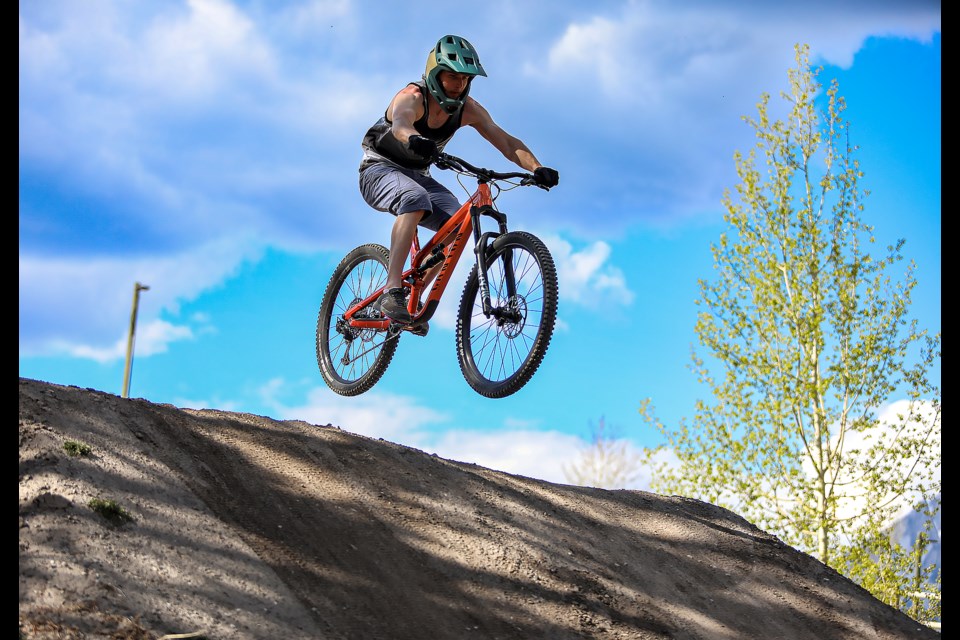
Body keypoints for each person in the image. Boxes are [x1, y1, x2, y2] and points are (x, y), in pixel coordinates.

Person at [358, 34, 559, 335]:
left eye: (465, 79)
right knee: (414, 198)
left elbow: (504, 141)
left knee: (455, 226)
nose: (458, 85)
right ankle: (392, 289)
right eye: (452, 76)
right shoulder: (412, 97)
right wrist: (413, 138)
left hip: (418, 175)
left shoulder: (468, 109)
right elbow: (401, 123)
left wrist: (537, 167)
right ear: (435, 74)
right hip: (379, 169)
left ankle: (414, 298)